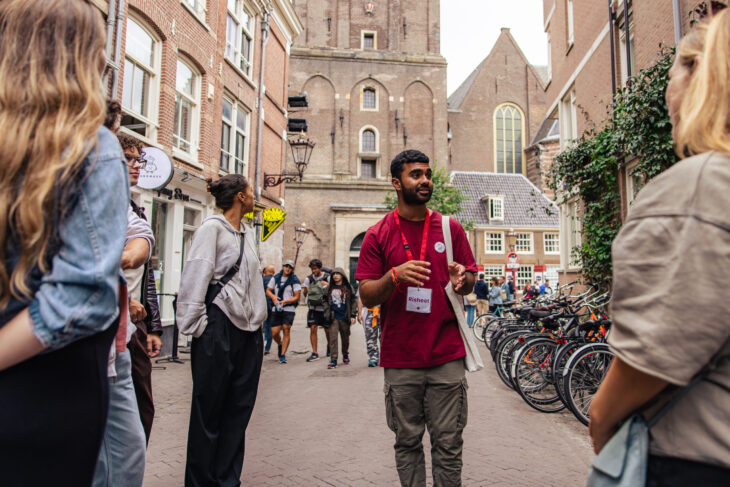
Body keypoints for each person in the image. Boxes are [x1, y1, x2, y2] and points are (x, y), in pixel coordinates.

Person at [590, 12, 730, 484]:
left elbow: (651, 360)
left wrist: (601, 420)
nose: (667, 88)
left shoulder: (701, 187)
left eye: (673, 69)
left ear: (697, 76)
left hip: (696, 459)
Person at [0, 1, 129, 484]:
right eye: (97, 48)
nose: (106, 61)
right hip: (47, 392)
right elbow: (83, 298)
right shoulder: (92, 148)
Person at [356, 149, 477, 487]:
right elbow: (366, 294)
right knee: (407, 443)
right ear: (396, 182)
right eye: (416, 175)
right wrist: (393, 276)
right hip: (400, 356)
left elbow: (470, 281)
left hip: (446, 354)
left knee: (449, 444)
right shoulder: (377, 234)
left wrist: (462, 279)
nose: (425, 180)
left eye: (427, 174)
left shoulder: (449, 228)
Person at [177, 175, 267, 486]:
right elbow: (196, 274)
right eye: (251, 192)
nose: (255, 196)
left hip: (248, 333)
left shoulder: (247, 233)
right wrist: (197, 326)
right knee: (209, 411)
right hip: (219, 329)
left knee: (238, 410)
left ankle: (228, 480)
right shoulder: (212, 228)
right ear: (241, 197)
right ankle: (201, 481)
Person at [93, 203, 153, 487]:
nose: (133, 165)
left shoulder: (103, 186)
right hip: (76, 348)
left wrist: (124, 259)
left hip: (116, 347)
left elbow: (141, 234)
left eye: (136, 158)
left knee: (130, 447)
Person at [117, 133, 163, 444]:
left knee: (142, 409)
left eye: (139, 160)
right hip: (112, 321)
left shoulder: (135, 210)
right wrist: (123, 299)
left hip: (135, 324)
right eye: (129, 159)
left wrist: (153, 327)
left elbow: (146, 275)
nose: (137, 166)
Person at [266, 260, 301, 364]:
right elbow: (268, 290)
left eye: (290, 267)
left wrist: (285, 301)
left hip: (288, 309)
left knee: (286, 329)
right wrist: (273, 297)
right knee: (274, 332)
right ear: (283, 266)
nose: (287, 268)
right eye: (286, 266)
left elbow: (297, 296)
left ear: (292, 269)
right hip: (277, 308)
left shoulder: (295, 280)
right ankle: (280, 344)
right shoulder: (275, 278)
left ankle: (282, 354)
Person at [325, 268, 357, 369]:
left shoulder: (348, 287)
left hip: (344, 317)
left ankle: (345, 354)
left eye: (338, 273)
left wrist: (353, 315)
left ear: (342, 275)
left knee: (345, 338)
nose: (335, 276)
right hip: (333, 317)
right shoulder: (329, 288)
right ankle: (333, 359)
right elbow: (324, 300)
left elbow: (353, 301)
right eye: (334, 274)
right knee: (333, 339)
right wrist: (327, 312)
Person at [302, 258, 330, 362]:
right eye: (312, 269)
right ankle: (315, 352)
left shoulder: (327, 278)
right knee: (313, 328)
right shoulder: (308, 279)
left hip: (325, 308)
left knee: (327, 330)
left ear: (320, 268)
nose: (313, 271)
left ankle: (329, 346)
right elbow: (305, 292)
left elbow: (333, 289)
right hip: (313, 308)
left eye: (315, 269)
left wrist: (326, 285)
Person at [358, 296, 381, 367]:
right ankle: (373, 358)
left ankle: (386, 356)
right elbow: (361, 296)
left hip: (385, 311)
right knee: (370, 336)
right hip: (370, 311)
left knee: (385, 337)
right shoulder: (365, 284)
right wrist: (359, 313)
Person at [262, 265, 276, 354]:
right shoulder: (275, 280)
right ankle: (267, 347)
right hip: (273, 306)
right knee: (269, 326)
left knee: (266, 326)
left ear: (264, 272)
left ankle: (265, 347)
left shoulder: (261, 280)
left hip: (264, 306)